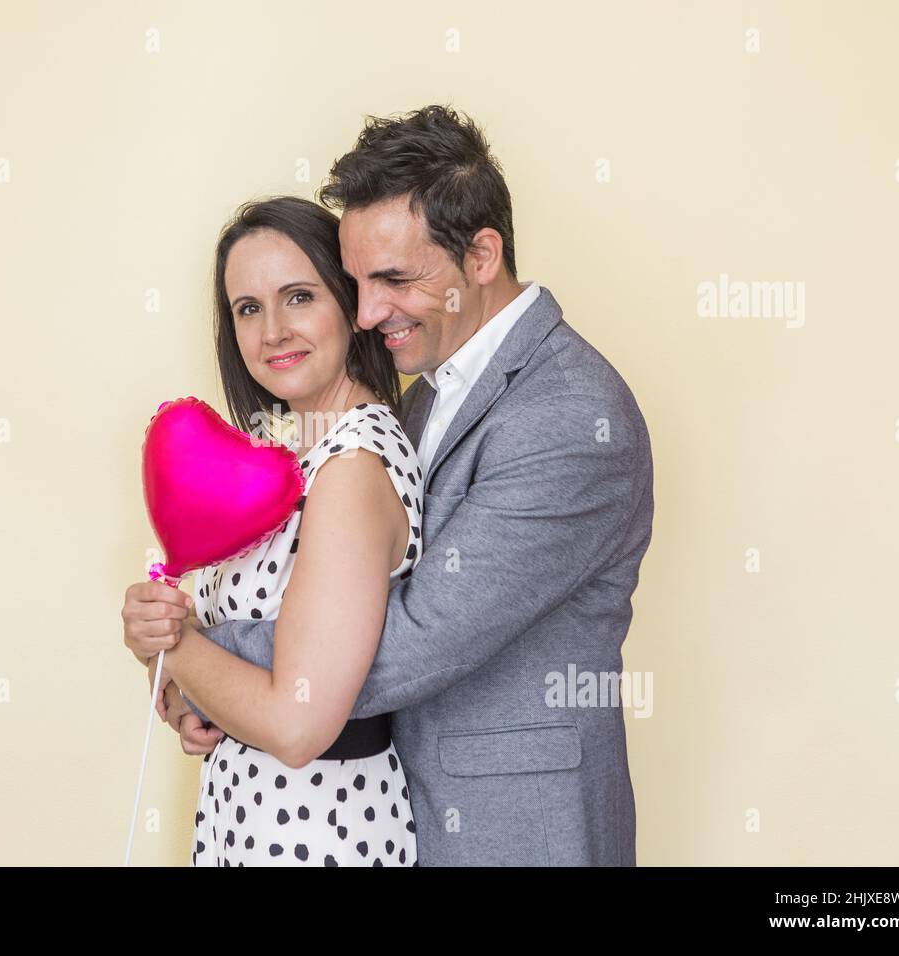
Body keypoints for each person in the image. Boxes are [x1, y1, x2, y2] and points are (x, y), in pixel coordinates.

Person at [126, 106, 654, 866]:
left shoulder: (571, 416)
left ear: (481, 254)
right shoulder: (426, 396)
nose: (369, 312)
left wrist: (192, 654)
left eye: (393, 280)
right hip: (404, 818)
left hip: (519, 834)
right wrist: (202, 685)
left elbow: (409, 636)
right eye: (359, 282)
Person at [122, 195, 421, 866]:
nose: (273, 332)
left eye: (299, 297)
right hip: (246, 820)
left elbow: (297, 722)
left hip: (319, 833)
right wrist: (174, 684)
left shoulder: (352, 465)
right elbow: (222, 679)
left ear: (350, 304)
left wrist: (173, 643)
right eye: (248, 309)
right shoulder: (287, 461)